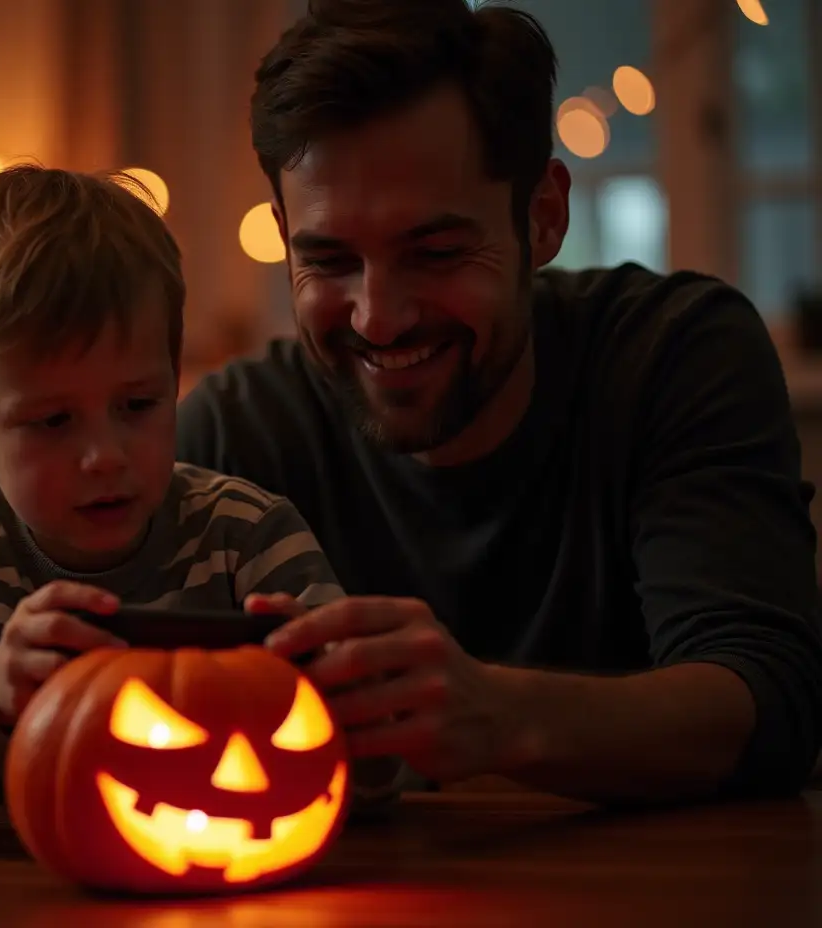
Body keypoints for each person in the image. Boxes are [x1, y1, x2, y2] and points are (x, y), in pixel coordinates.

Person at [176, 0, 822, 804]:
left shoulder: (674, 356)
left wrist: (499, 717)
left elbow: (773, 707)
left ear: (544, 216)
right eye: (330, 260)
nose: (378, 316)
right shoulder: (237, 433)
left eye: (437, 252)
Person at [0, 165, 348, 841]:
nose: (106, 455)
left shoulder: (246, 538)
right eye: (54, 421)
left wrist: (326, 690)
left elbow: (383, 768)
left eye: (137, 405)